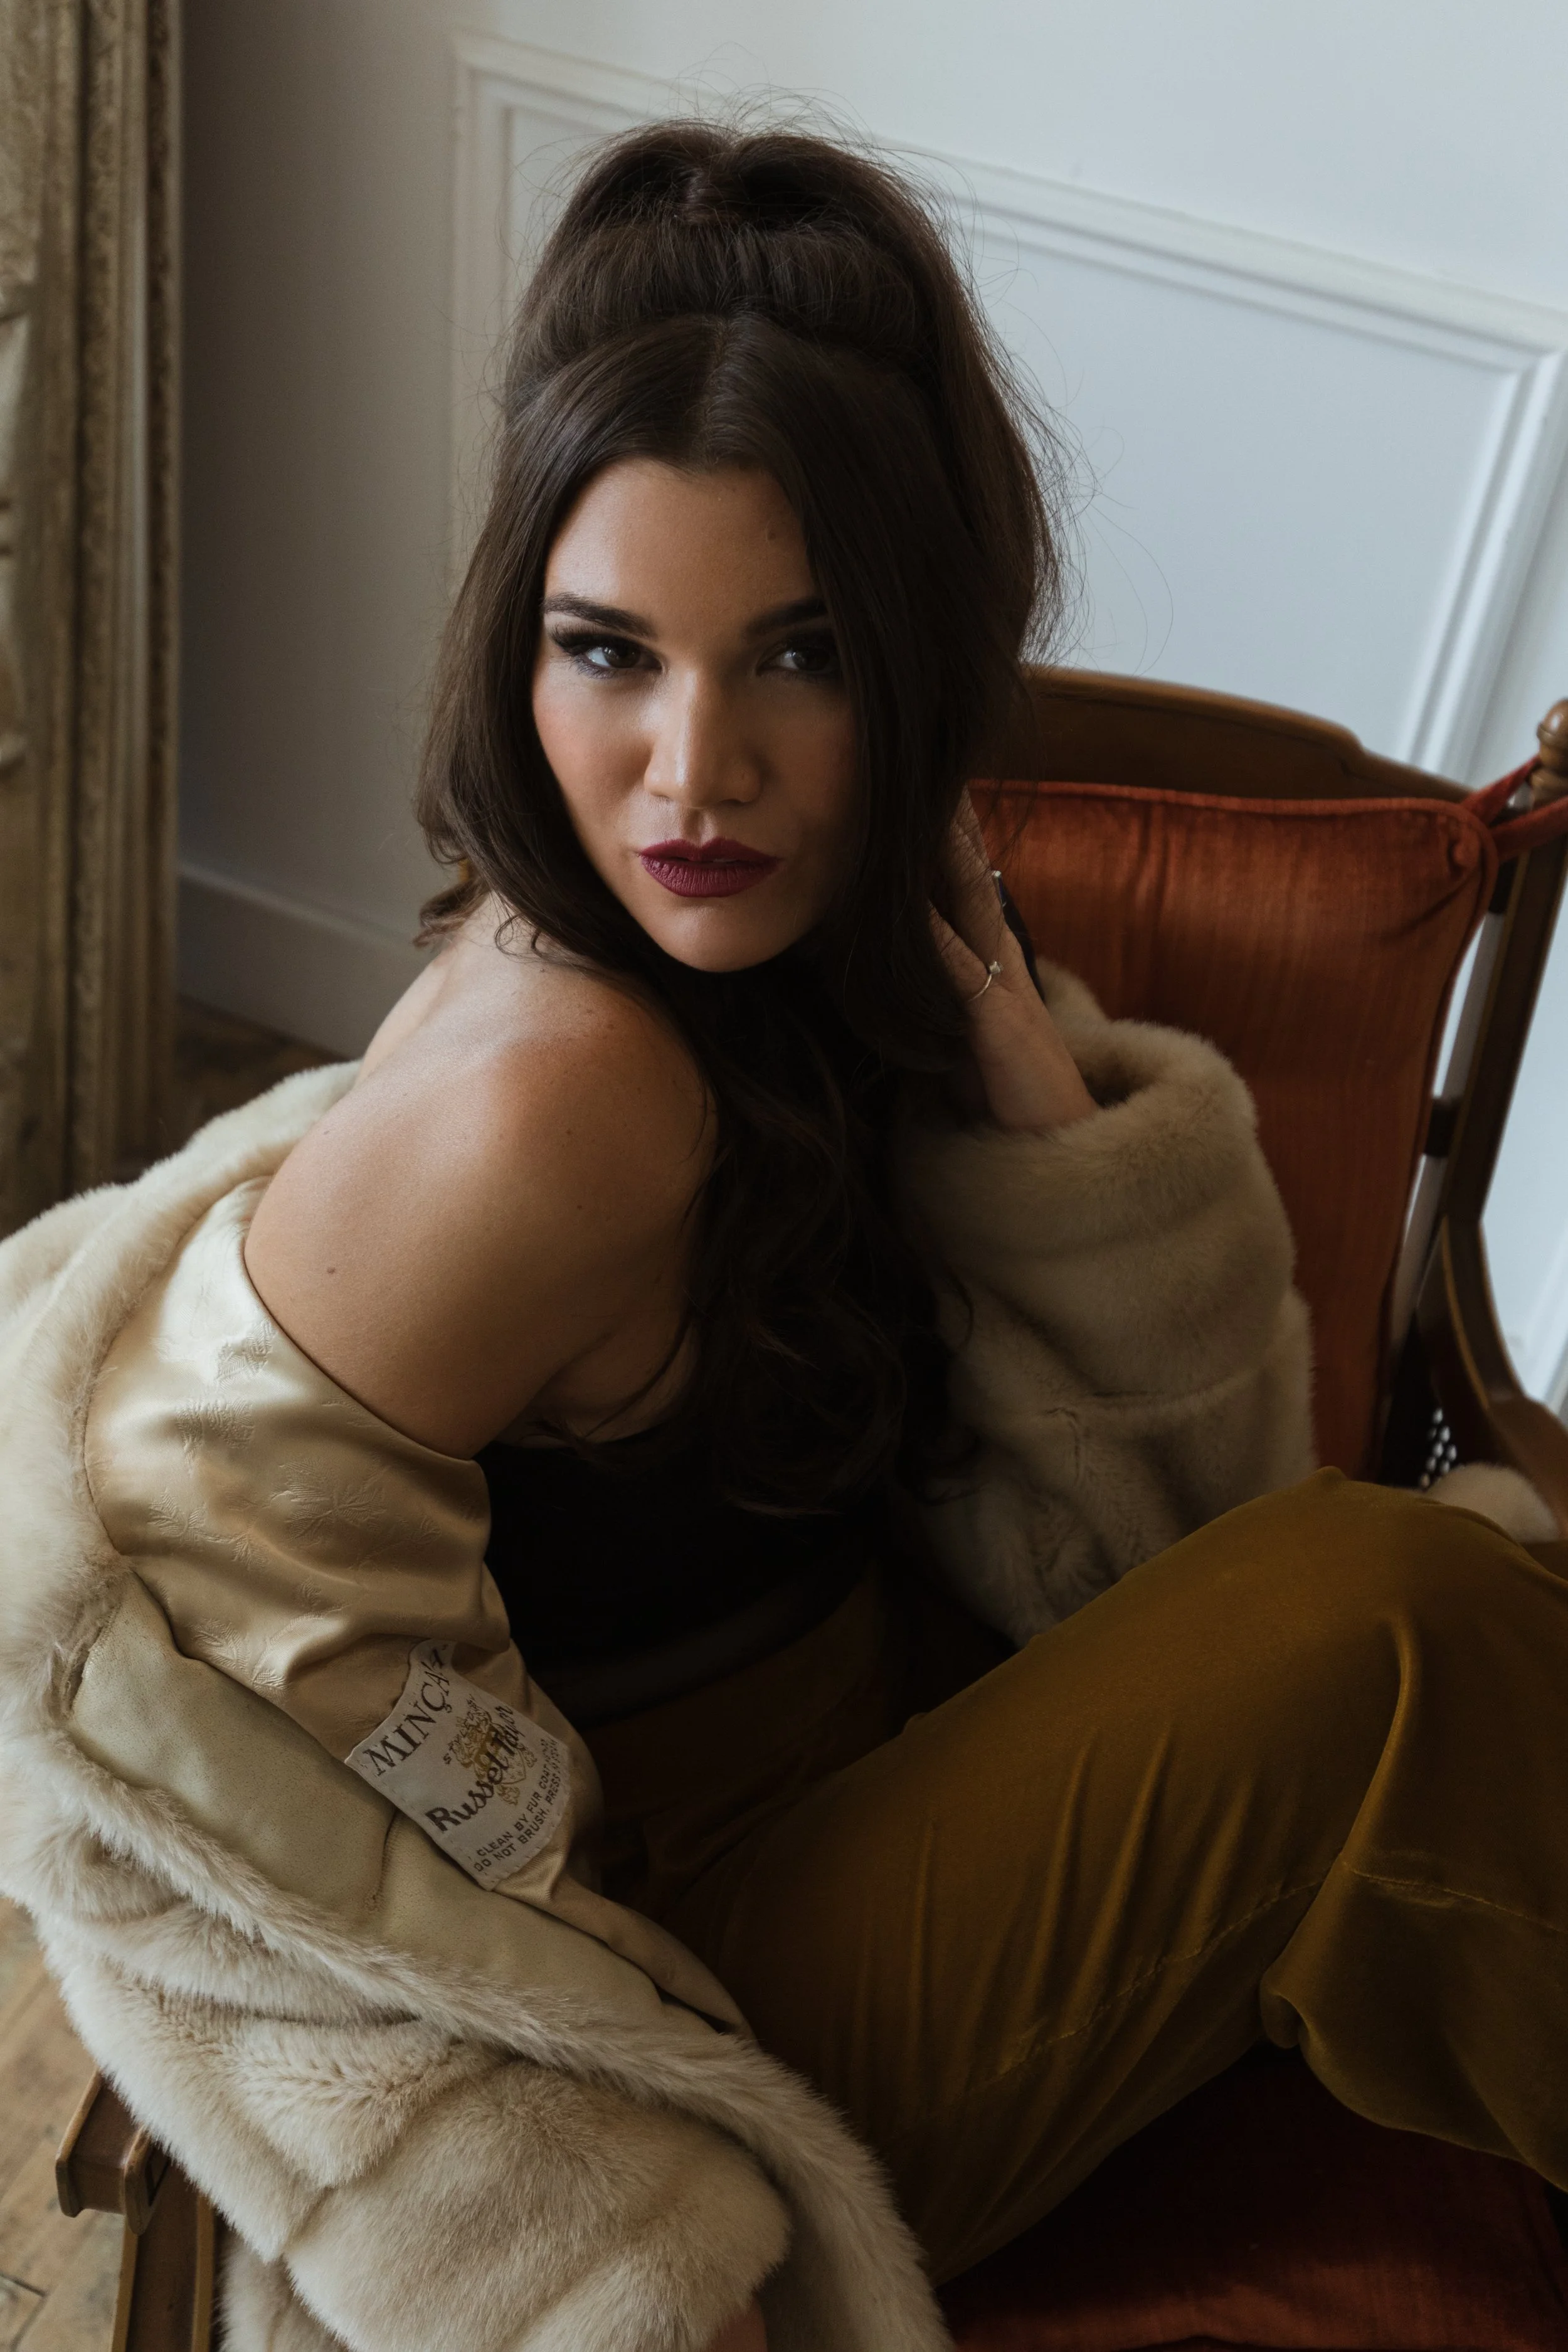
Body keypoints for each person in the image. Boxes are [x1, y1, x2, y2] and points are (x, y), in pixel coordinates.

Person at [0, 120, 1564, 2352]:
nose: (688, 770)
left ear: (912, 655)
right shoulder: (565, 1089)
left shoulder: (865, 940)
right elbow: (150, 1721)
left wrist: (1035, 1110)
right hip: (689, 2000)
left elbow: (1153, 1541)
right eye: (605, 650)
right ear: (515, 646)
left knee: (1424, 1631)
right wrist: (582, 2245)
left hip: (888, 1744)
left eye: (797, 655)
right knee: (1397, 1614)